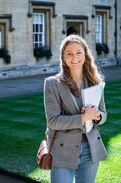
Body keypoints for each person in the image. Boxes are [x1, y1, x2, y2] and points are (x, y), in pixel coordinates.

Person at [44, 34, 107, 183]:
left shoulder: (95, 81)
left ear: (85, 54)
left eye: (79, 52)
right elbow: (53, 121)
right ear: (63, 58)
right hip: (62, 149)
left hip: (90, 148)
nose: (75, 58)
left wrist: (97, 116)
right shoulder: (52, 83)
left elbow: (104, 114)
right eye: (69, 54)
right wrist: (83, 117)